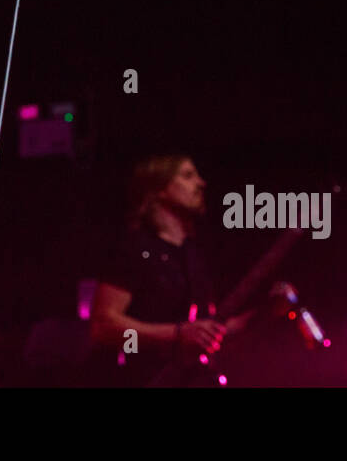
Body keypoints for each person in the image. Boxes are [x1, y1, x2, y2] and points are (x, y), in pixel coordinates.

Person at [89, 154, 252, 386]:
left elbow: (204, 329)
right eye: (187, 176)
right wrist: (175, 335)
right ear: (159, 189)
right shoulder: (135, 250)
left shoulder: (193, 253)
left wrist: (258, 317)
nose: (201, 183)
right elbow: (103, 330)